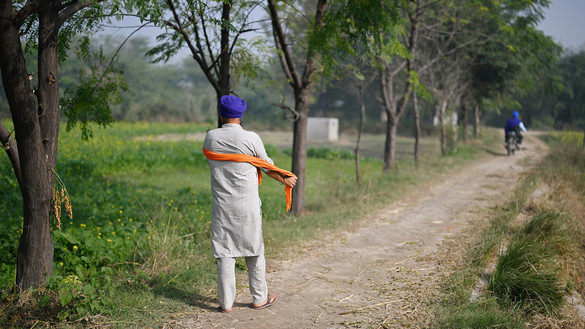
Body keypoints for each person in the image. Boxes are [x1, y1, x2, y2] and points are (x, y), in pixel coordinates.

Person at [202, 95, 297, 313]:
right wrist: (285, 178)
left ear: (221, 114)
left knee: (225, 252)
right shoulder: (251, 138)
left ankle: (226, 304)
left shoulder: (210, 138)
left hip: (222, 206)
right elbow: (265, 165)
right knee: (254, 249)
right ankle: (259, 298)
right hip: (247, 206)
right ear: (241, 115)